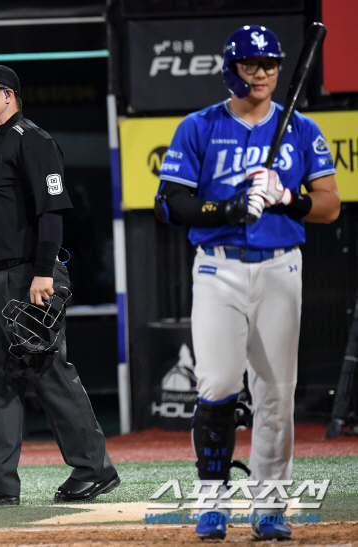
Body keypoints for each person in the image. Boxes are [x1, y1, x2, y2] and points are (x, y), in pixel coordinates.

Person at [154, 25, 340, 541]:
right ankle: (212, 502)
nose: (261, 73)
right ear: (230, 69)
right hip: (218, 267)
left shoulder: (300, 129)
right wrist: (228, 206)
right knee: (217, 387)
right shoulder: (200, 126)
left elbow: (329, 204)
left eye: (270, 64)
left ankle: (270, 506)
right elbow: (169, 203)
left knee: (276, 394)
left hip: (281, 265)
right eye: (250, 64)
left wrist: (289, 199)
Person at [0, 64, 119, 506]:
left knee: (48, 371)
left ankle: (95, 469)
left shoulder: (31, 139)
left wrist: (42, 272)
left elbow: (51, 211)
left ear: (9, 96)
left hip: (29, 275)